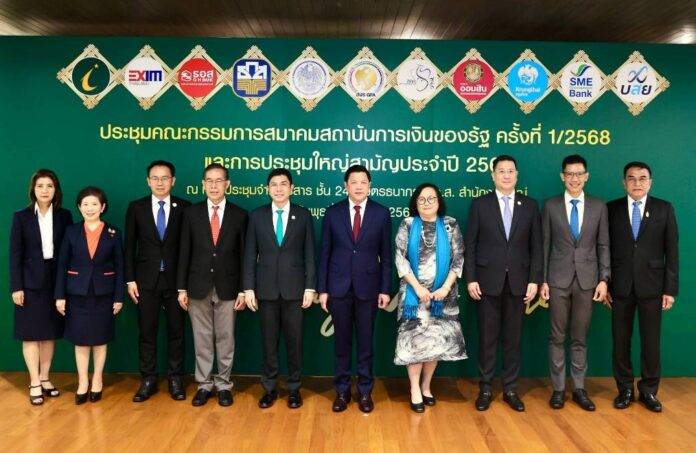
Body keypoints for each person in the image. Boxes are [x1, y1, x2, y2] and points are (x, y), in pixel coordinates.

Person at [464, 155, 542, 412]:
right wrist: (471, 278)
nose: (506, 175)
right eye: (501, 171)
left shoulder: (530, 205)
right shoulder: (480, 204)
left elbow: (537, 247)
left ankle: (510, 389)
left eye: (510, 171)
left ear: (517, 175)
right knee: (487, 338)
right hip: (486, 282)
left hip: (519, 283)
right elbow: (470, 244)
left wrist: (534, 280)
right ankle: (485, 388)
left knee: (513, 339)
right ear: (493, 175)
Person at [317, 164, 392, 413]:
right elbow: (325, 253)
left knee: (366, 344)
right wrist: (323, 289)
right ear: (345, 186)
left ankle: (365, 392)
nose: (359, 186)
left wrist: (385, 289)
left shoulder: (381, 213)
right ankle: (341, 391)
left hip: (369, 288)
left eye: (363, 182)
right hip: (338, 288)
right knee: (341, 344)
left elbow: (386, 255)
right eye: (354, 182)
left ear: (370, 185)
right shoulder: (333, 212)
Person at [606, 161, 678, 413]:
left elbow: (672, 251)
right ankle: (625, 389)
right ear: (624, 182)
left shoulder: (664, 208)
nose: (637, 183)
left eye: (642, 178)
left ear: (650, 182)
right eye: (631, 178)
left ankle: (649, 391)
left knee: (651, 342)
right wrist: (605, 283)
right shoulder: (611, 209)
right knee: (620, 342)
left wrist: (670, 289)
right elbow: (604, 249)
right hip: (619, 286)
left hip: (653, 287)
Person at [540, 154, 610, 411]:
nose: (574, 178)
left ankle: (579, 388)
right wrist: (542, 280)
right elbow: (544, 245)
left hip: (587, 280)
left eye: (579, 174)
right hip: (557, 280)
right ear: (562, 176)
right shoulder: (550, 206)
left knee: (580, 337)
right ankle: (558, 389)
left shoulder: (598, 206)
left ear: (586, 176)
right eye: (569, 174)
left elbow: (603, 245)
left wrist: (604, 279)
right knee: (557, 337)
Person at [243, 168, 316, 409]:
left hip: (295, 291)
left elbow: (310, 254)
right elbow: (249, 254)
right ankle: (269, 388)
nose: (278, 188)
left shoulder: (303, 215)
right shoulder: (257, 216)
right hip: (265, 291)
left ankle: (294, 389)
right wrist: (249, 288)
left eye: (283, 184)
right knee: (269, 343)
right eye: (274, 184)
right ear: (267, 189)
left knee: (295, 343)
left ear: (291, 188)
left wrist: (310, 287)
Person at [177, 163, 247, 407]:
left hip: (229, 287)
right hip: (197, 286)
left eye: (219, 181)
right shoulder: (191, 213)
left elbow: (244, 255)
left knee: (226, 339)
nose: (214, 185)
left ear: (227, 184)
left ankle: (224, 385)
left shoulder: (240, 215)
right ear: (203, 184)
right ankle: (204, 385)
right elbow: (184, 251)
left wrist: (243, 289)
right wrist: (181, 288)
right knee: (202, 339)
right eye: (209, 181)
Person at [393, 183, 467, 413]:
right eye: (422, 199)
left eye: (431, 198)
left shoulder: (451, 224)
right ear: (415, 203)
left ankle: (426, 386)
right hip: (413, 295)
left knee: (435, 341)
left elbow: (459, 258)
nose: (427, 203)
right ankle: (414, 389)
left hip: (442, 296)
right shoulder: (407, 224)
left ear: (438, 201)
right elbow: (400, 258)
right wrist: (417, 288)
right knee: (416, 342)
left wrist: (444, 288)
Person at [125, 160, 191, 402]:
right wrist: (130, 279)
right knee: (147, 332)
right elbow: (129, 246)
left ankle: (175, 378)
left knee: (177, 332)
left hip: (176, 281)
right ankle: (148, 379)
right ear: (148, 181)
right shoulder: (136, 207)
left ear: (173, 181)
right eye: (155, 178)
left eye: (165, 178)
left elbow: (189, 248)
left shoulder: (185, 207)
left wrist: (186, 283)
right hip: (145, 281)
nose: (160, 182)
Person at [55, 186, 124, 405]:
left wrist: (119, 297)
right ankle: (83, 381)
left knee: (100, 340)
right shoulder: (71, 231)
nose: (89, 208)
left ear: (102, 207)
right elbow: (62, 264)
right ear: (79, 207)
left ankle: (98, 380)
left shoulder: (114, 233)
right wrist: (60, 296)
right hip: (77, 293)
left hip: (104, 294)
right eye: (85, 204)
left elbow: (120, 267)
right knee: (81, 340)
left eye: (94, 204)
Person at [10, 169, 73, 405]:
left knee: (49, 333)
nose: (45, 190)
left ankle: (45, 378)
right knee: (30, 334)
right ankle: (34, 381)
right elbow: (15, 255)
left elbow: (68, 252)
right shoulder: (21, 217)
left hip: (55, 281)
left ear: (56, 190)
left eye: (49, 186)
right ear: (33, 190)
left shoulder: (65, 216)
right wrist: (16, 286)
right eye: (40, 186)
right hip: (29, 283)